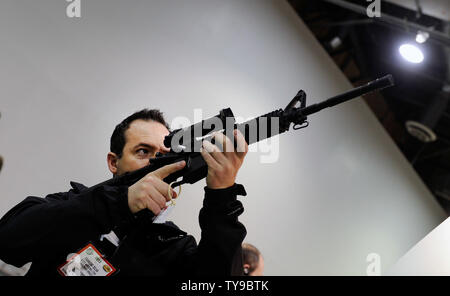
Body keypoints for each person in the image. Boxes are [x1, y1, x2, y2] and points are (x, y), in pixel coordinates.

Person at [0, 109, 249, 276]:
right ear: (113, 161)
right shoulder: (74, 204)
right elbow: (8, 242)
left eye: (163, 156)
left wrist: (222, 196)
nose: (155, 163)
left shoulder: (174, 247)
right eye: (143, 151)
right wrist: (120, 203)